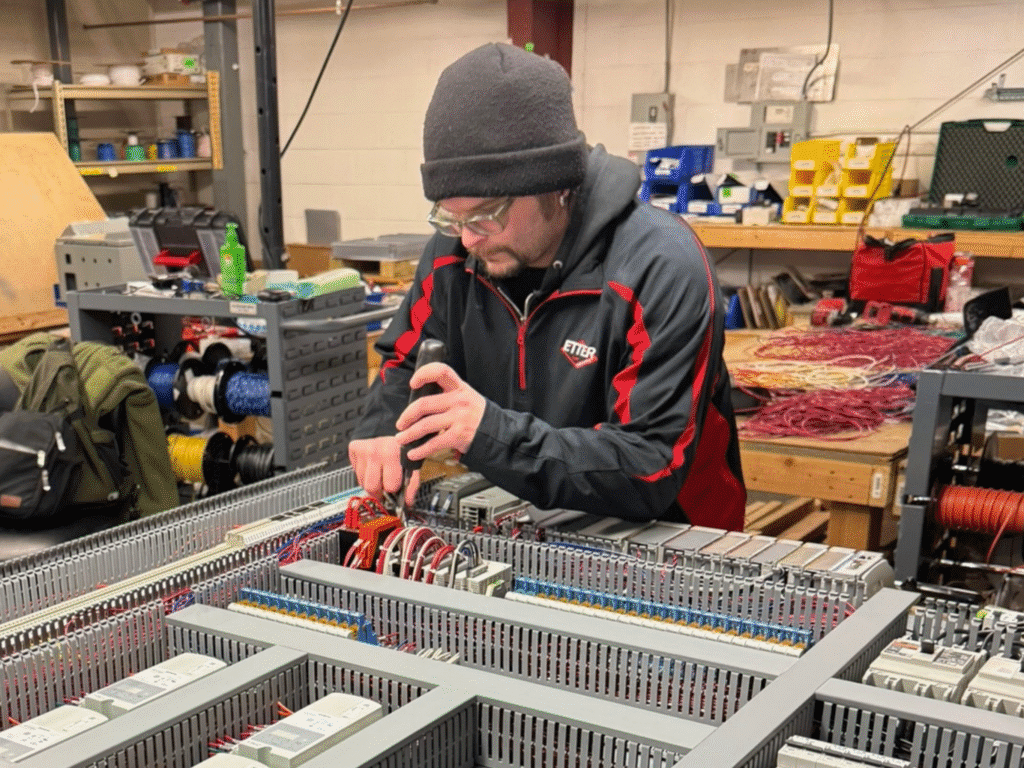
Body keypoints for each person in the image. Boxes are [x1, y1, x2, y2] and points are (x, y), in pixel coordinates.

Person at [349, 42, 745, 530]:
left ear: (557, 186)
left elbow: (650, 464)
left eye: (486, 215)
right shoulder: (452, 254)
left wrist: (490, 433)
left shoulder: (661, 267)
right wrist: (382, 431)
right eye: (450, 216)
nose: (468, 237)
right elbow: (403, 364)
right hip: (522, 525)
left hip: (671, 542)